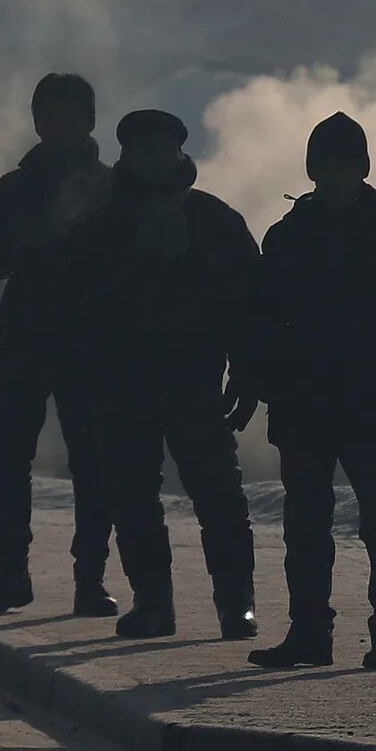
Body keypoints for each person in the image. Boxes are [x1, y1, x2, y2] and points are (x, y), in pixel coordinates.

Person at [247, 113, 376, 674]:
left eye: (345, 163)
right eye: (327, 164)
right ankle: (310, 631)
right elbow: (265, 317)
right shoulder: (289, 235)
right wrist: (273, 381)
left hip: (367, 402)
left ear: (361, 167)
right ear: (313, 169)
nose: (336, 174)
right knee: (307, 523)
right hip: (306, 402)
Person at [74, 108, 263, 641]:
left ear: (179, 153)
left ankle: (235, 606)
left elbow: (249, 305)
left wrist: (248, 372)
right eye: (143, 149)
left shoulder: (214, 221)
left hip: (195, 380)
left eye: (163, 148)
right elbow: (77, 308)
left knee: (219, 495)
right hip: (122, 383)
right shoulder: (102, 224)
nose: (154, 159)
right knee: (132, 496)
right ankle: (154, 603)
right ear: (127, 156)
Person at [0, 73, 117, 619]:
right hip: (28, 340)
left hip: (85, 344)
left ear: (87, 122)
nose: (55, 127)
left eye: (65, 116)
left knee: (91, 462)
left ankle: (90, 578)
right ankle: (13, 573)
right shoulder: (16, 187)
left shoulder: (108, 187)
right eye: (47, 116)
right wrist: (12, 243)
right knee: (10, 459)